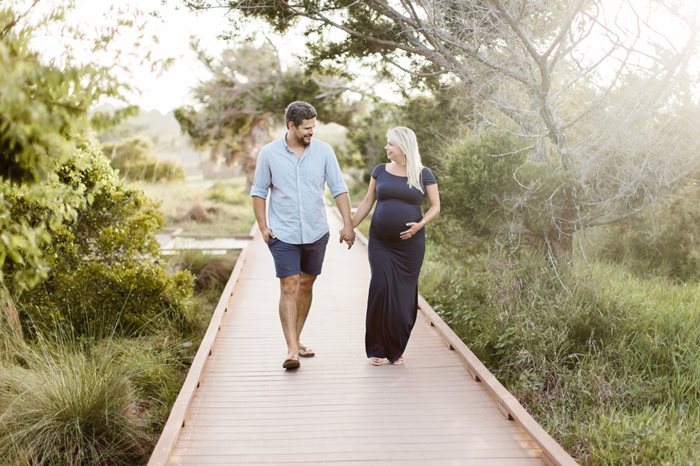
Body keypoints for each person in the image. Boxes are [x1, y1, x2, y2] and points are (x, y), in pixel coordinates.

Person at [250, 101, 356, 370]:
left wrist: (348, 225)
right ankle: (291, 350)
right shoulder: (269, 153)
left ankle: (296, 340)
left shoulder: (323, 151)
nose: (311, 132)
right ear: (291, 126)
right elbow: (259, 192)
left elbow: (338, 188)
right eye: (307, 128)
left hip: (316, 230)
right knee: (289, 285)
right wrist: (263, 226)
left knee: (307, 284)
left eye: (313, 126)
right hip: (282, 232)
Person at [351, 126, 440, 365]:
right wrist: (349, 226)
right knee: (380, 288)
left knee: (402, 296)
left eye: (390, 143)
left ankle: (396, 348)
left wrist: (419, 225)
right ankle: (377, 348)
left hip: (410, 247)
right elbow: (368, 201)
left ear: (402, 146)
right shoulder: (380, 171)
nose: (386, 147)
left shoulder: (423, 174)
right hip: (380, 241)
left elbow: (435, 206)